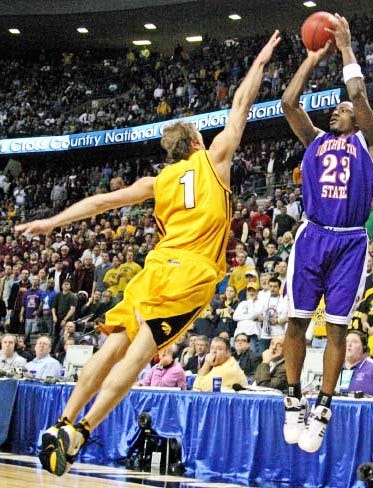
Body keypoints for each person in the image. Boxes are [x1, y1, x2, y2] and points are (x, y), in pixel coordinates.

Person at [15, 31, 281, 477]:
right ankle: (82, 431)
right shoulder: (214, 160)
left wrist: (51, 222)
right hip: (190, 274)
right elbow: (241, 104)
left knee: (112, 345)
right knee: (138, 355)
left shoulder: (156, 183)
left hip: (153, 268)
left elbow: (99, 203)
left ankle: (62, 421)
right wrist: (260, 62)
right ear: (196, 141)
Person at [280, 15, 373, 453]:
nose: (336, 110)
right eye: (335, 108)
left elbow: (358, 93)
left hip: (349, 241)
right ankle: (292, 399)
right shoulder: (315, 141)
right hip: (312, 235)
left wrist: (344, 49)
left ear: (357, 119)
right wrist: (310, 57)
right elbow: (289, 102)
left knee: (337, 329)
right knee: (297, 321)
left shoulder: (371, 142)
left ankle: (323, 407)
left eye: (341, 109)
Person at [339, 330, 373, 396]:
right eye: (346, 341)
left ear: (364, 348)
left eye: (354, 342)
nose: (349, 344)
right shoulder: (335, 369)